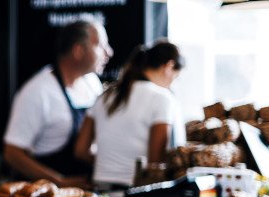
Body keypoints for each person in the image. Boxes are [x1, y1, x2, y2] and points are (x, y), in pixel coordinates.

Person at [3, 20, 113, 187]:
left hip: (86, 191)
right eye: (100, 45)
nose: (109, 52)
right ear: (78, 51)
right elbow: (12, 154)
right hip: (45, 196)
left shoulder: (92, 83)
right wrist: (59, 182)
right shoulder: (38, 92)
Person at [74, 41, 186, 187]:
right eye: (176, 77)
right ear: (169, 67)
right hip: (136, 192)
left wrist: (110, 164)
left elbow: (80, 151)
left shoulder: (105, 95)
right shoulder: (162, 98)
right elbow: (155, 163)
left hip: (100, 188)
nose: (172, 83)